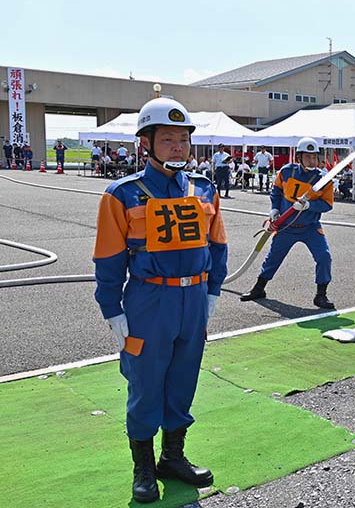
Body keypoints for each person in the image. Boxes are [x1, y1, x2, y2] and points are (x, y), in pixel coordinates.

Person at [92, 97, 227, 503]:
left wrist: (213, 291)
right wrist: (112, 309)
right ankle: (144, 468)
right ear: (144, 144)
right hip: (150, 301)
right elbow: (109, 258)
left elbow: (217, 244)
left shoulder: (204, 188)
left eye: (183, 139)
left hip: (193, 298)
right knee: (146, 384)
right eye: (167, 139)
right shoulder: (123, 195)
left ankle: (173, 456)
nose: (178, 147)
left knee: (184, 379)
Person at [240, 137, 335, 310]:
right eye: (308, 157)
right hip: (286, 227)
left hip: (310, 227)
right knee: (273, 258)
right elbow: (276, 191)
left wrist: (309, 205)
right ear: (299, 157)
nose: (312, 160)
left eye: (315, 157)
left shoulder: (323, 179)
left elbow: (328, 205)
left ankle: (321, 295)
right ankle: (259, 288)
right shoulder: (286, 171)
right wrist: (274, 210)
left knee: (324, 257)